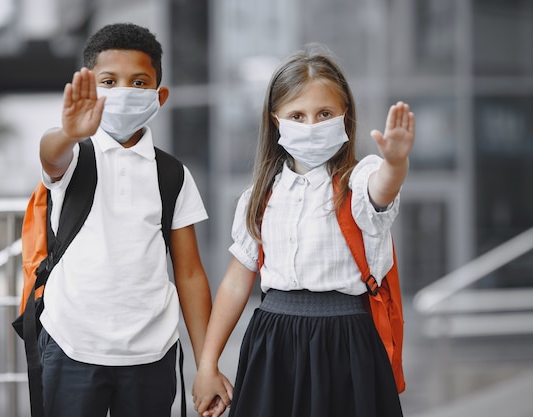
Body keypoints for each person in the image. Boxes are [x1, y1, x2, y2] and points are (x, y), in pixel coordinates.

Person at [192, 43, 414, 417]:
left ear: (345, 116)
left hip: (345, 342)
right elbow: (235, 282)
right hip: (272, 344)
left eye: (324, 113)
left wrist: (396, 162)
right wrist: (207, 364)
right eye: (297, 115)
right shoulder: (259, 196)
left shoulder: (358, 181)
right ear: (276, 120)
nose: (311, 125)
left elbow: (383, 188)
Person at [37, 23, 212, 417]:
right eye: (108, 81)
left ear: (158, 96)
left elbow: (189, 274)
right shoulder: (74, 156)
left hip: (152, 354)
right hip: (72, 347)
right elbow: (50, 154)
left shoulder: (172, 174)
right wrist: (68, 133)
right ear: (88, 88)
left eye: (138, 82)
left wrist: (207, 363)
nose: (123, 91)